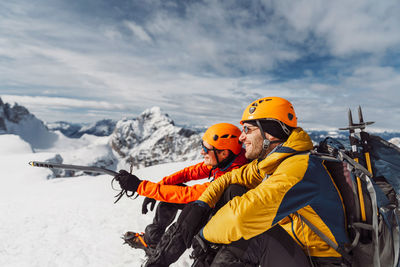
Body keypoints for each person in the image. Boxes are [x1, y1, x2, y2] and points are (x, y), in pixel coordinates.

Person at [175, 97, 350, 267]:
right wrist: (202, 204)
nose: (241, 138)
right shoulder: (274, 161)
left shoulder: (300, 168)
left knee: (253, 234)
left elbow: (240, 218)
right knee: (233, 190)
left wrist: (205, 234)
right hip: (297, 249)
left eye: (248, 130)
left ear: (270, 134)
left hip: (321, 261)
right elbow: (231, 177)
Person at [114, 123, 248, 254]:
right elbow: (187, 173)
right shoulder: (227, 160)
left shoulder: (233, 175)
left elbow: (186, 195)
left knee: (178, 200)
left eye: (206, 149)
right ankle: (153, 239)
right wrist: (158, 187)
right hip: (213, 210)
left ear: (224, 153)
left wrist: (140, 186)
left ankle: (161, 248)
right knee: (171, 190)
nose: (202, 152)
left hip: (218, 223)